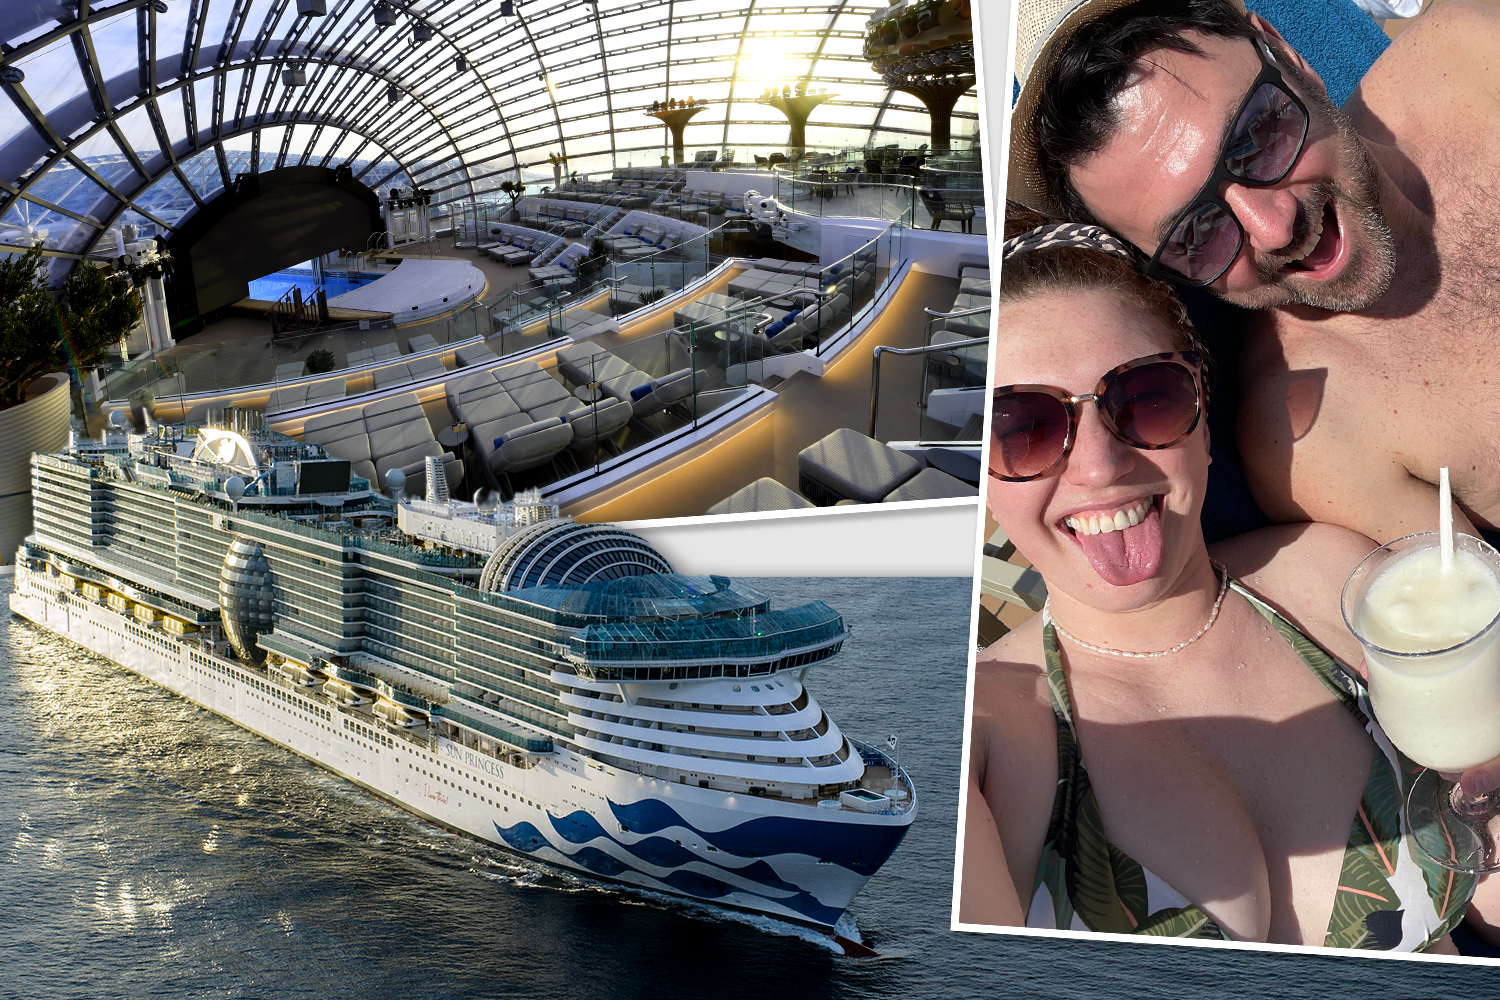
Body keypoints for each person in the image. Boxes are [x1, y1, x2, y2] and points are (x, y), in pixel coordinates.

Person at [960, 206, 1500, 950]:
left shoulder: (1340, 587)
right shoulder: (981, 738)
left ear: (1203, 419)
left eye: (1147, 398)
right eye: (1023, 427)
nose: (1100, 466)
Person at [1006, 0, 1500, 545]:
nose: (1274, 230)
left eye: (1259, 137)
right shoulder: (1321, 446)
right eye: (1195, 234)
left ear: (1288, 54)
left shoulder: (1476, 47)